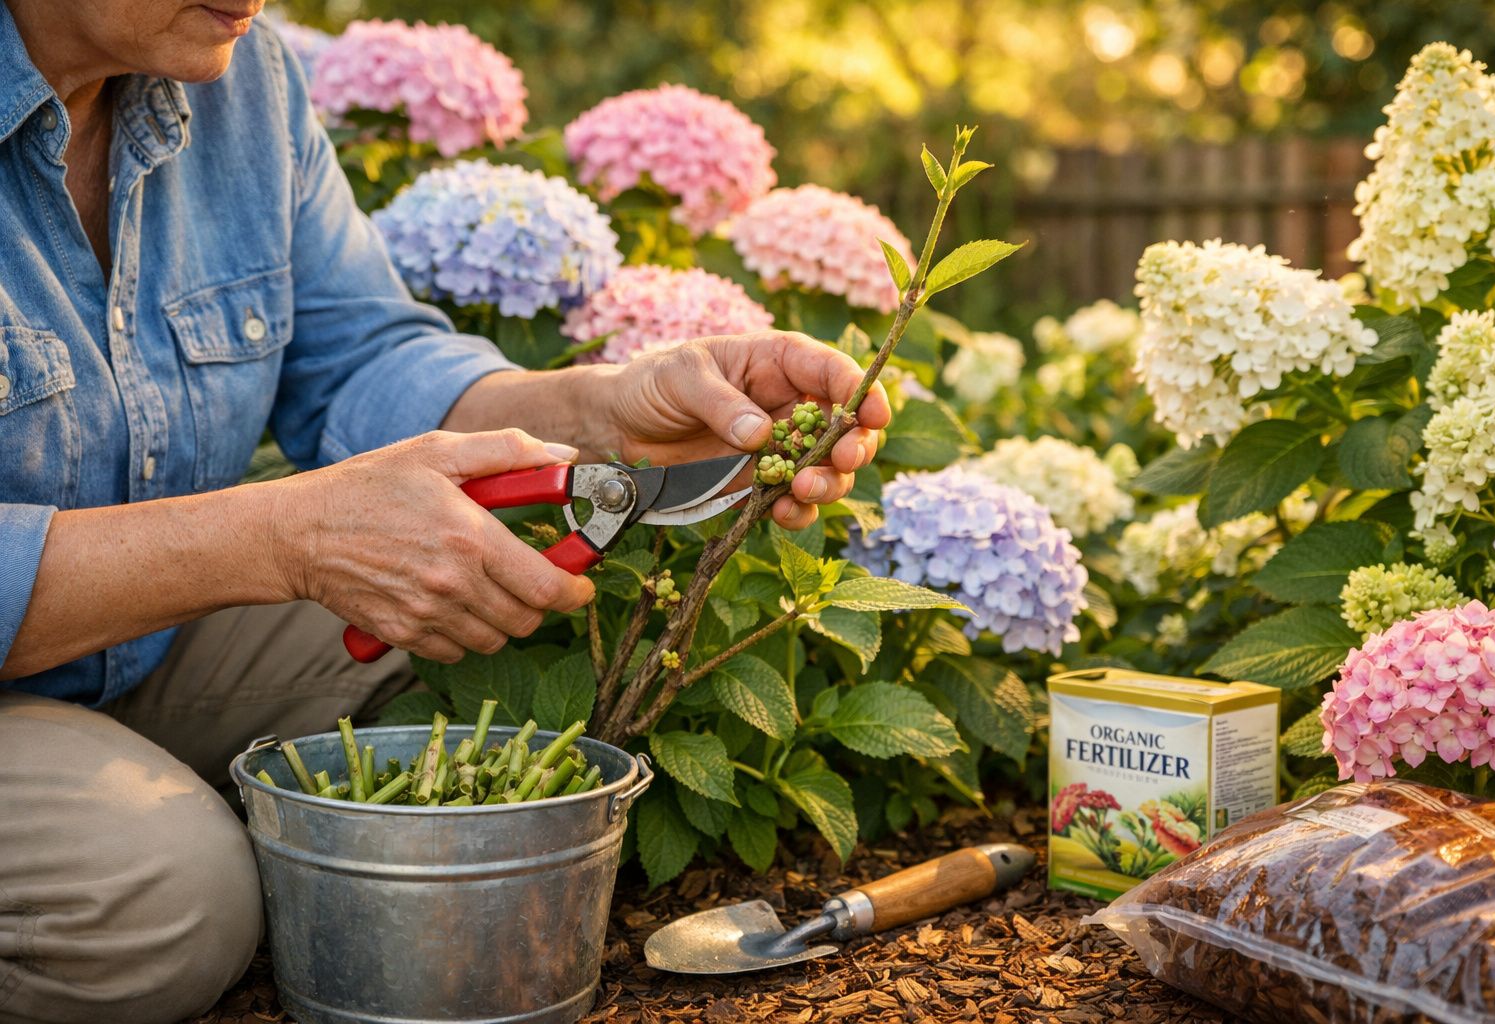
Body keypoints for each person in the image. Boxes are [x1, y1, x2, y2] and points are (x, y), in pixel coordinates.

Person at [0, 2, 892, 1021]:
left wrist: (601, 410)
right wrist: (283, 537)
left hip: (124, 647)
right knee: (163, 905)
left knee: (462, 603)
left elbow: (360, 360)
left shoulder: (238, 84)